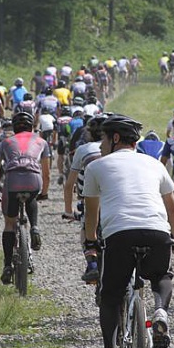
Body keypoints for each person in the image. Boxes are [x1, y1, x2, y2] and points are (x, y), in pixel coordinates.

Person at [82, 114, 174, 348]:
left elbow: (92, 214)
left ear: (115, 138)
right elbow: (173, 210)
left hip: (120, 235)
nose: (101, 145)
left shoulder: (96, 166)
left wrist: (91, 241)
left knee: (111, 295)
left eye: (103, 139)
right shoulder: (155, 164)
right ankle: (160, 312)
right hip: (157, 232)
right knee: (161, 273)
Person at [0, 112, 50, 285]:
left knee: (9, 224)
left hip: (12, 180)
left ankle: (7, 265)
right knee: (32, 198)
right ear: (32, 127)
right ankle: (35, 228)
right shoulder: (42, 142)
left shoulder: (5, 143)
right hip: (34, 180)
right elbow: (46, 173)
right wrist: (44, 192)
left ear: (14, 128)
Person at [63, 114, 107, 282]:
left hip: (90, 199)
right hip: (114, 198)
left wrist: (68, 210)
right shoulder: (115, 150)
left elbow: (69, 185)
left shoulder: (83, 149)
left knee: (86, 227)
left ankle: (92, 265)